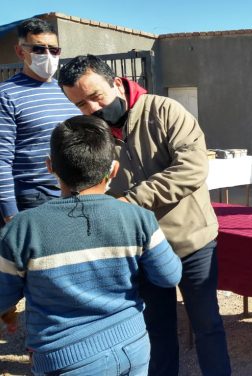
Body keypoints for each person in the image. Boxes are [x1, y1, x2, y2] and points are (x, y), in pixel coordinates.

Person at [58, 55, 231, 376]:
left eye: (96, 96)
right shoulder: (94, 134)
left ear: (115, 81)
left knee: (207, 325)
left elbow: (192, 169)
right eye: (81, 105)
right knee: (157, 331)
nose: (93, 109)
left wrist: (130, 202)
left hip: (192, 241)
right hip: (142, 251)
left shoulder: (165, 111)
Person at [0, 115, 182, 375]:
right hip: (133, 348)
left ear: (50, 166)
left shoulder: (22, 228)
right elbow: (169, 275)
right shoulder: (139, 219)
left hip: (64, 359)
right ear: (113, 170)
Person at [0, 18, 81, 224]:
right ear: (20, 52)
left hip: (75, 193)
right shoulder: (6, 95)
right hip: (31, 200)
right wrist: (11, 215)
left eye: (54, 50)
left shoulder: (67, 91)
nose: (48, 55)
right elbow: (1, 160)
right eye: (39, 49)